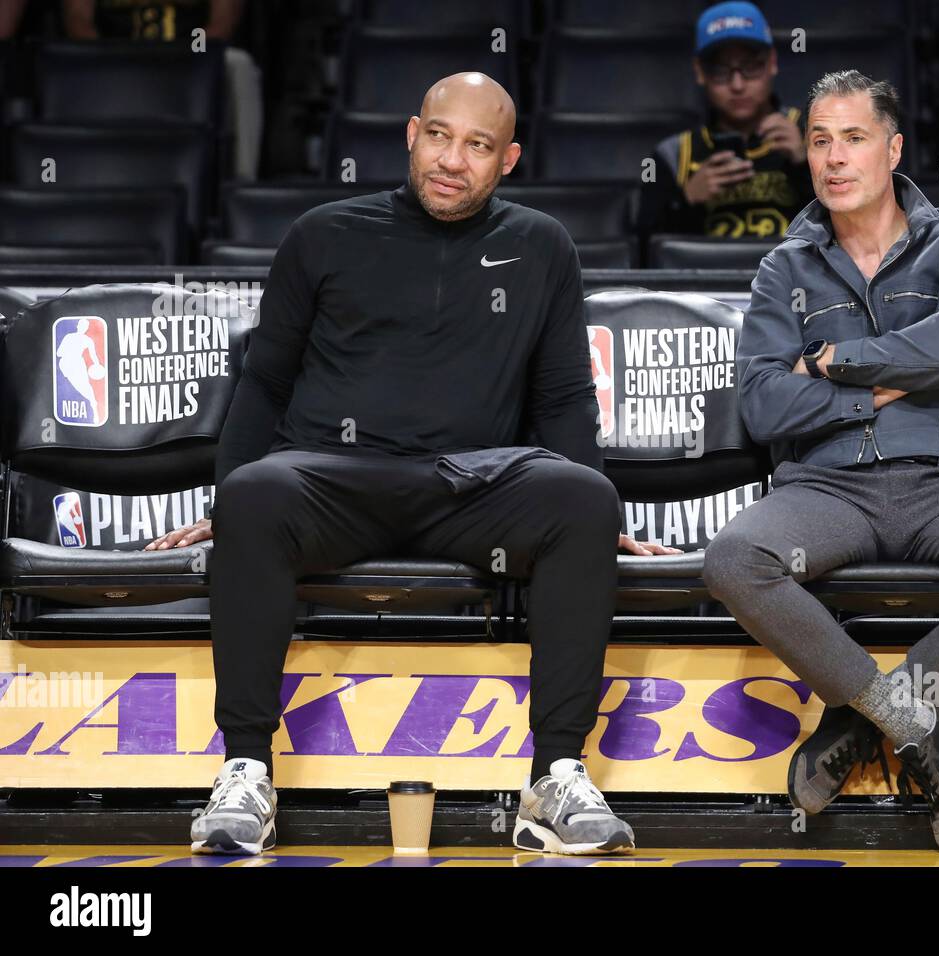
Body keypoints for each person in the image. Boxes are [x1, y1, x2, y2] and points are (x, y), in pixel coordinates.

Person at [147, 72, 677, 857]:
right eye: (439, 135)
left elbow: (565, 397)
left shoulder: (540, 246)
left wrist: (600, 508)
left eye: (477, 145)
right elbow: (262, 383)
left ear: (509, 159)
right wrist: (228, 497)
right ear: (410, 134)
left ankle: (555, 776)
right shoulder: (324, 233)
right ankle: (246, 770)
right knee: (256, 495)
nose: (451, 160)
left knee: (585, 501)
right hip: (333, 480)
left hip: (474, 486)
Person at [702, 70, 939, 852]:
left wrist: (834, 361)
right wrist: (881, 392)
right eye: (819, 141)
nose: (834, 158)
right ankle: (919, 722)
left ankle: (861, 711)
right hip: (827, 487)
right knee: (735, 558)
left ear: (893, 148)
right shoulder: (785, 266)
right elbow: (766, 405)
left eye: (853, 138)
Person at [638, 1, 814, 241]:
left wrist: (804, 165)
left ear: (772, 62)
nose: (737, 85)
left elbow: (852, 231)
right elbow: (645, 251)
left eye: (751, 67)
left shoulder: (814, 133)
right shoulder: (675, 155)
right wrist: (687, 201)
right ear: (700, 72)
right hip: (708, 277)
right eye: (720, 70)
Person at [61, 0, 264, 180]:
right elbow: (78, 20)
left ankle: (242, 179)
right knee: (62, 66)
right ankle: (67, 181)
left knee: (239, 65)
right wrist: (112, 58)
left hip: (191, 54)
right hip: (115, 56)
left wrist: (184, 55)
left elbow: (223, 21)